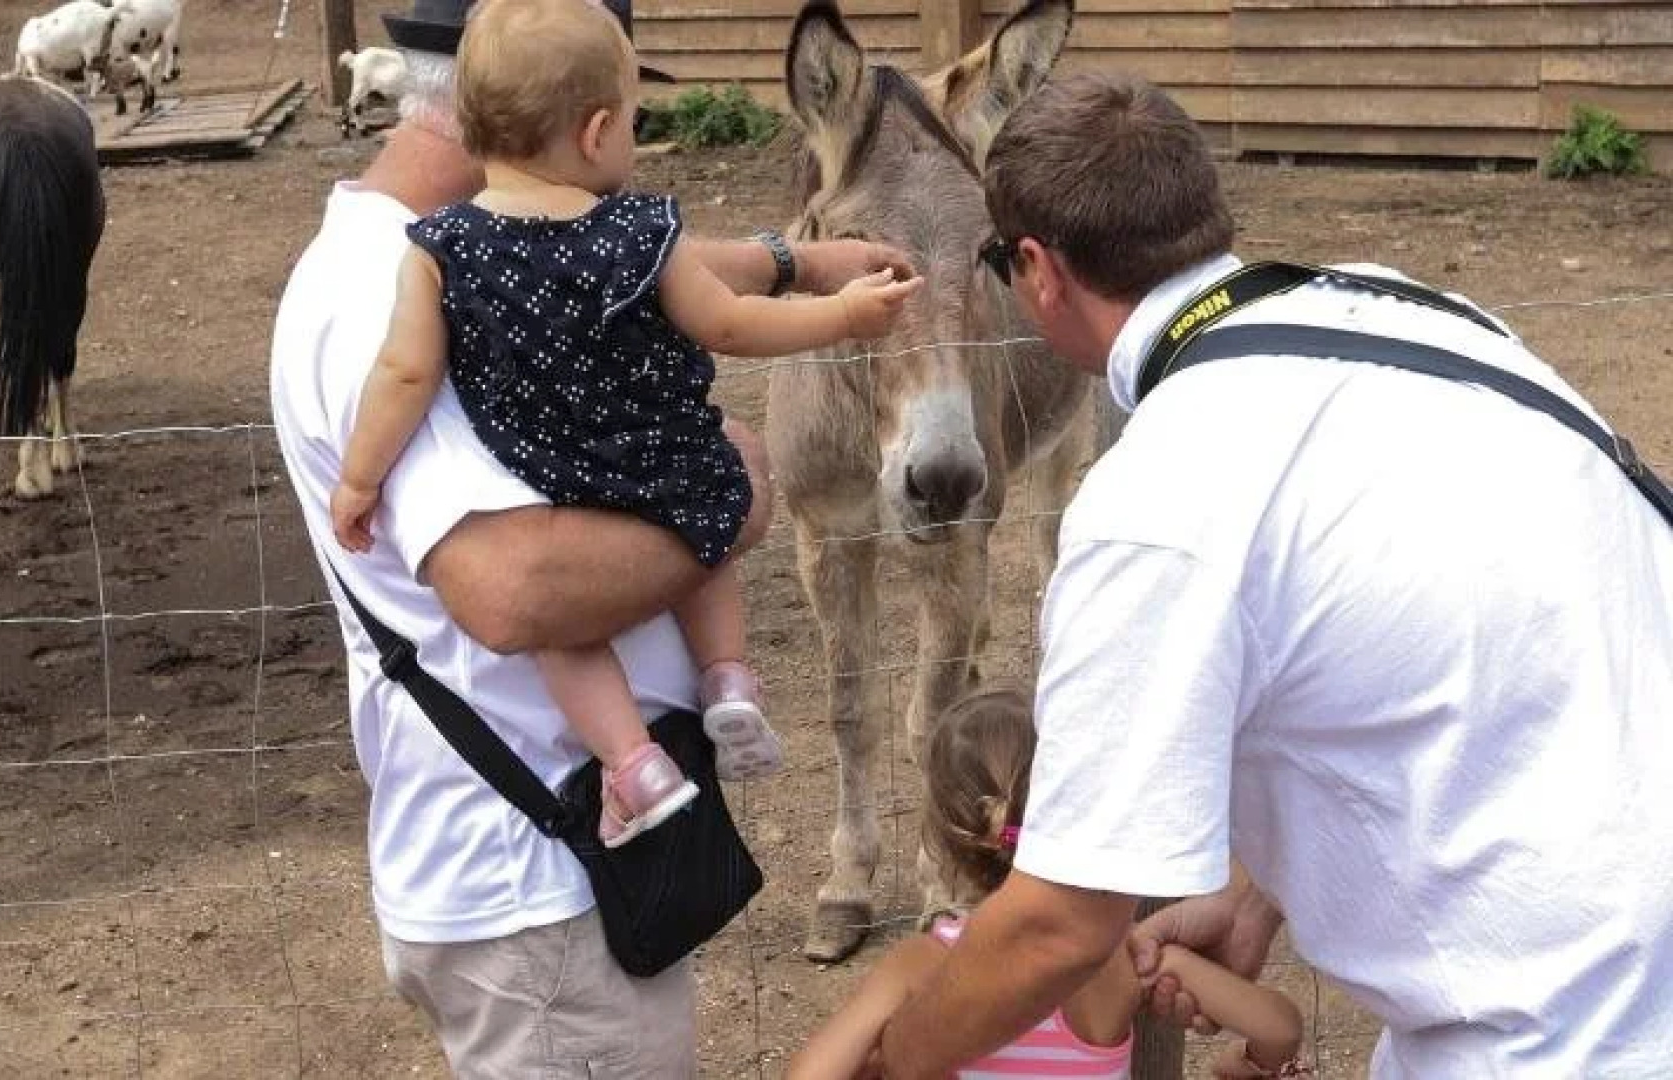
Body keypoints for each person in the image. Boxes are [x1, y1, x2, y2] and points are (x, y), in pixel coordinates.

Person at [865, 71, 1673, 1078]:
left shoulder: (1153, 500)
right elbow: (1421, 618)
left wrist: (894, 1061)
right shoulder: (1414, 316)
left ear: (1037, 269)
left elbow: (1057, 926)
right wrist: (1255, 890)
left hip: (1564, 1033)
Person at [268, 0, 917, 1073]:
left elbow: (604, 253)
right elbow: (514, 594)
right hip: (540, 893)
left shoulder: (455, 251)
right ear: (592, 128)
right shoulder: (370, 294)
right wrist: (735, 496)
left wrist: (795, 261)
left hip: (559, 878)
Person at [788, 685, 1306, 1080]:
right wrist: (1250, 1064)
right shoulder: (1121, 960)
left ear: (943, 837)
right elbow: (1279, 1027)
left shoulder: (918, 966)